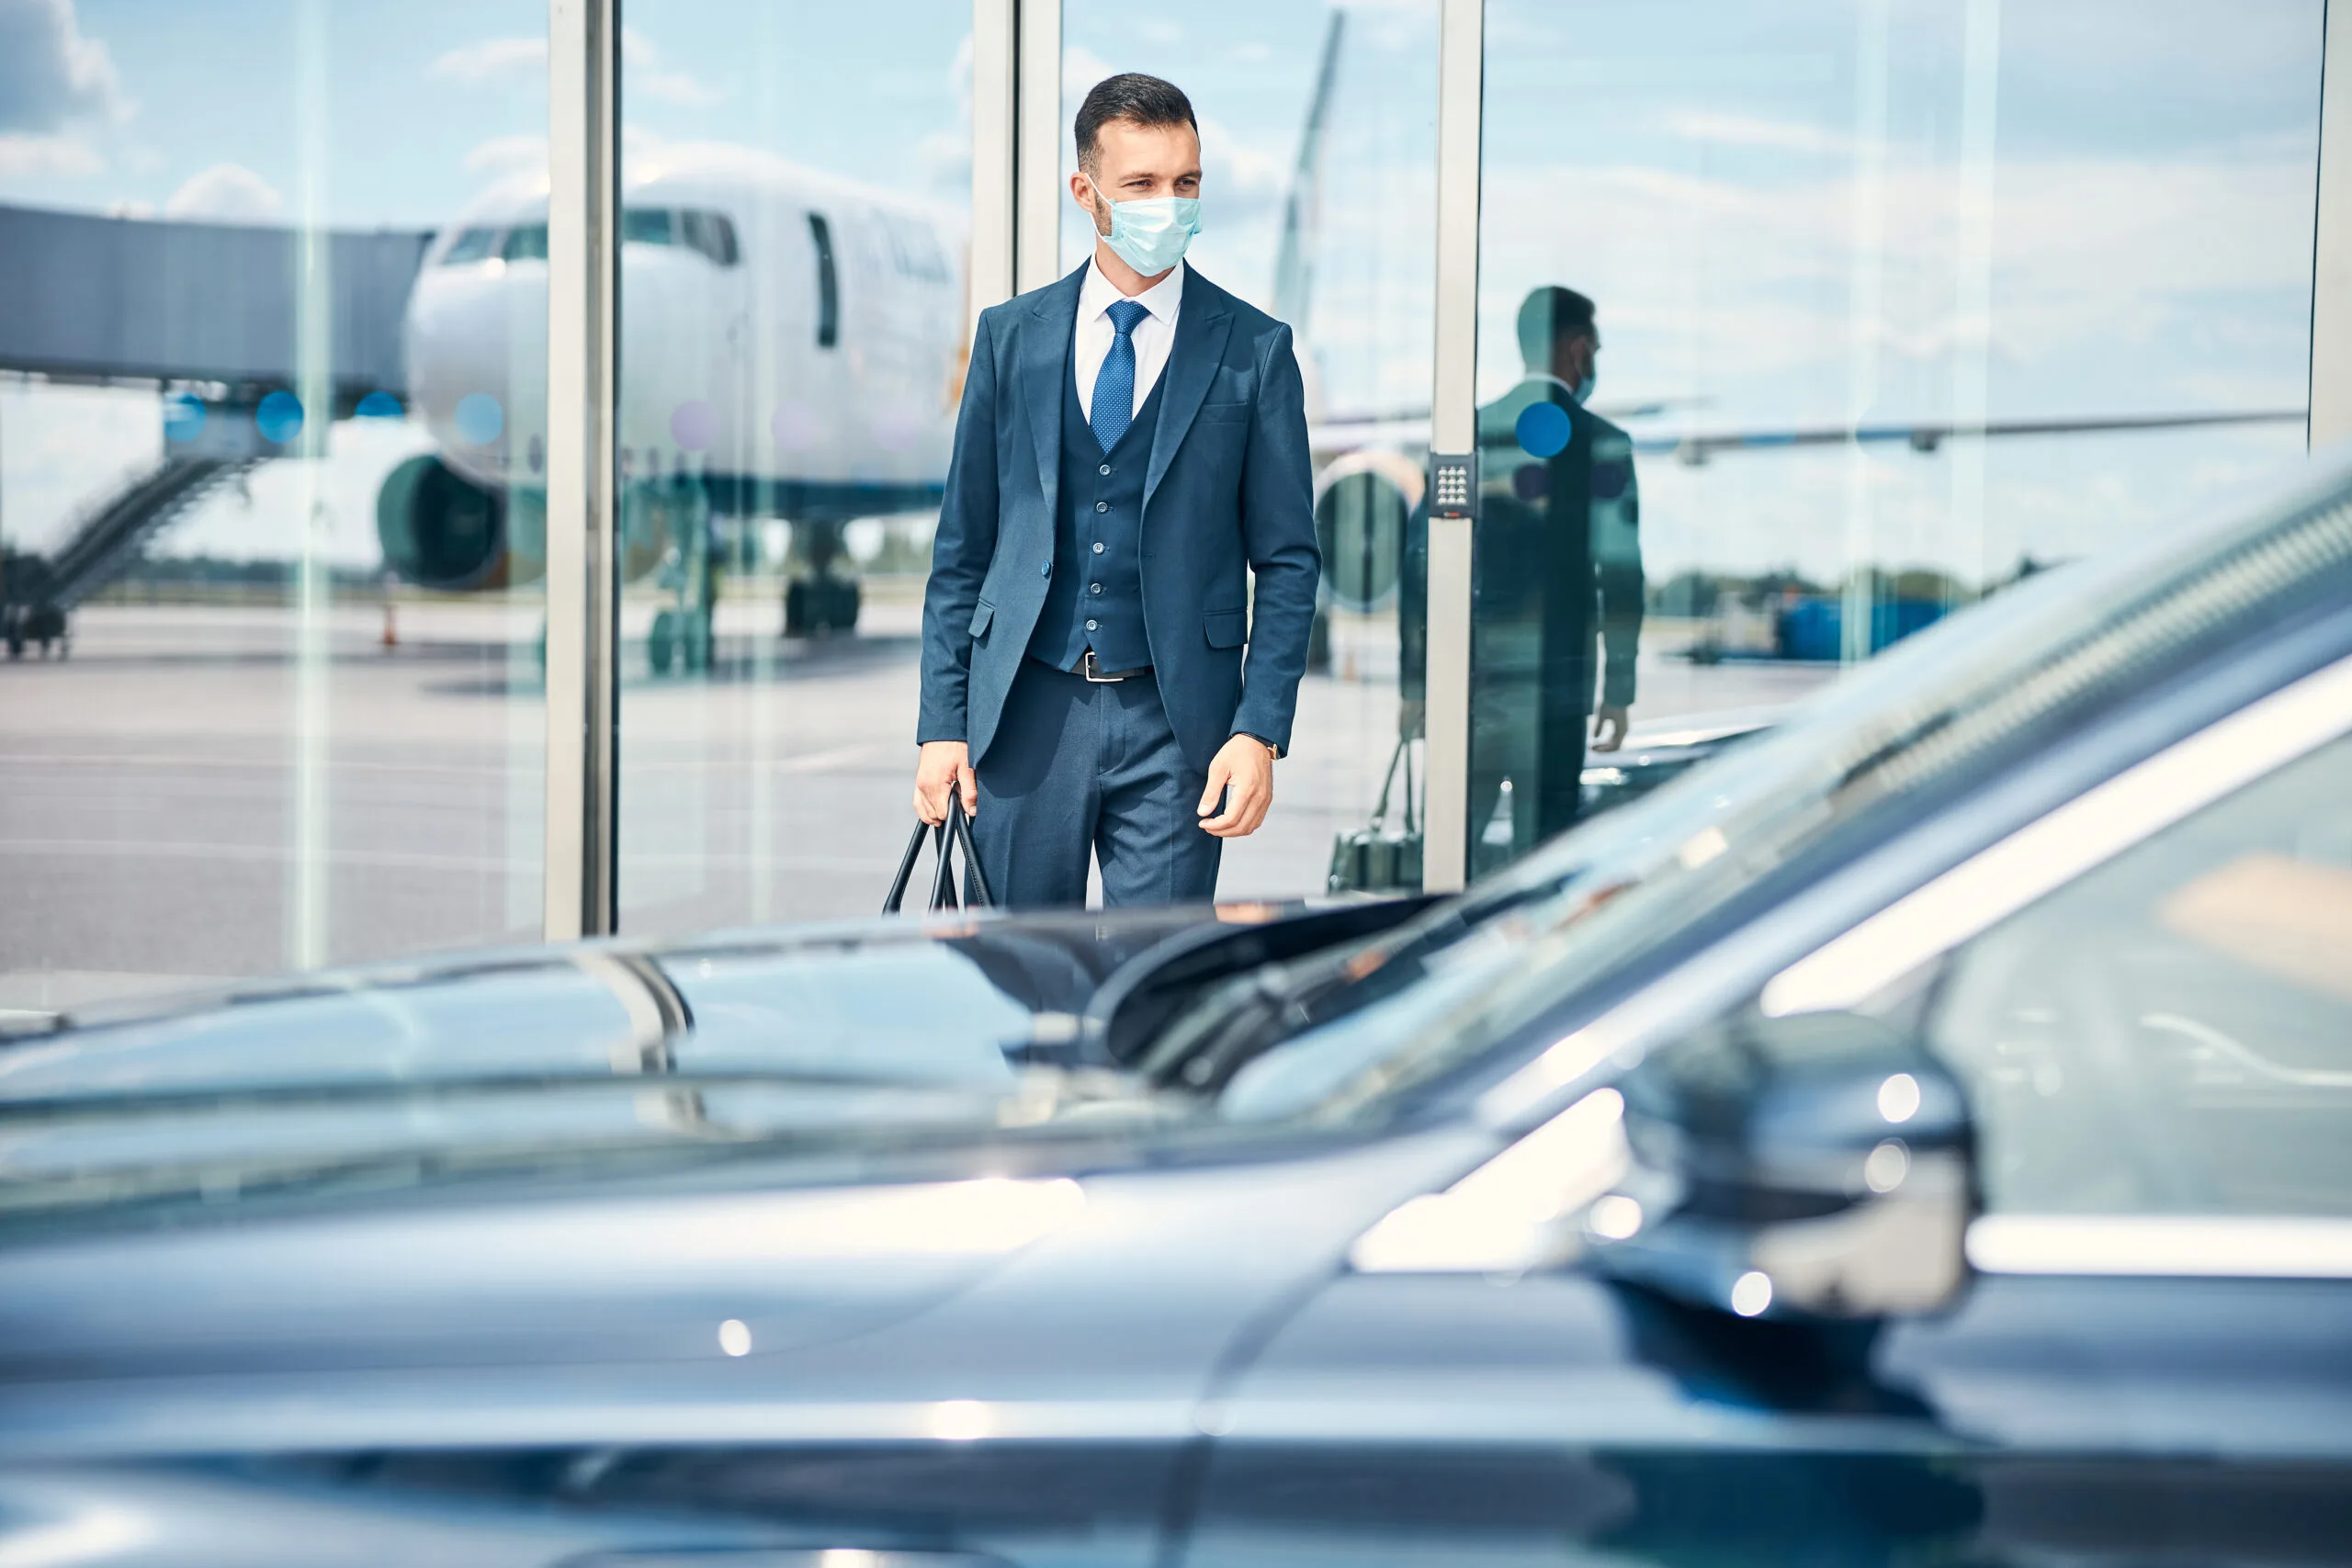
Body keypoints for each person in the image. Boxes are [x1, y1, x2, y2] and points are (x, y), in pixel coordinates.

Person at [911, 73, 1320, 908]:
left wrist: (1258, 730)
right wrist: (941, 724)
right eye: (1141, 185)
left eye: (1186, 183)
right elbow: (963, 551)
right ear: (1086, 193)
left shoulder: (1255, 350)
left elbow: (1288, 562)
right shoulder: (1007, 339)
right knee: (1018, 988)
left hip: (1179, 731)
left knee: (1157, 992)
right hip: (1025, 716)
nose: (1167, 203)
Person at [1399, 285, 1644, 871]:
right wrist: (1619, 690)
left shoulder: (1469, 434)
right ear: (1580, 351)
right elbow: (1622, 575)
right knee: (1545, 866)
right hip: (1559, 695)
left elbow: (1420, 562)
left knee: (1449, 860)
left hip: (1473, 691)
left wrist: (1415, 683)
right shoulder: (1605, 444)